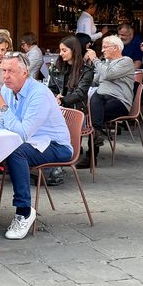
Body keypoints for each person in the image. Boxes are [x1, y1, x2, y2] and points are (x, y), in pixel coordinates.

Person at [0, 53, 72, 240]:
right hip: (30, 142)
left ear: (24, 73)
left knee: (16, 153)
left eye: (11, 71)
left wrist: (2, 107)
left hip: (55, 145)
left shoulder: (39, 94)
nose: (5, 76)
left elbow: (23, 132)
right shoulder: (8, 89)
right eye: (3, 71)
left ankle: (24, 212)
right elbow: (7, 121)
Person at [47, 35, 95, 182]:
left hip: (76, 110)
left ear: (74, 50)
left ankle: (57, 164)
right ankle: (50, 162)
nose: (61, 54)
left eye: (64, 50)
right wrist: (55, 97)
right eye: (60, 50)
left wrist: (63, 100)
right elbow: (51, 88)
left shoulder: (86, 70)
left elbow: (81, 93)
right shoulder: (57, 67)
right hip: (58, 108)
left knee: (55, 125)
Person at [86, 35, 134, 162]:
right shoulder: (104, 64)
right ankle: (94, 141)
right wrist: (88, 66)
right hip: (102, 100)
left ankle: (91, 157)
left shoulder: (126, 61)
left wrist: (95, 59)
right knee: (93, 111)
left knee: (93, 114)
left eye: (105, 47)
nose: (102, 50)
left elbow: (109, 74)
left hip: (119, 102)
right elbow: (94, 81)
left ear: (115, 48)